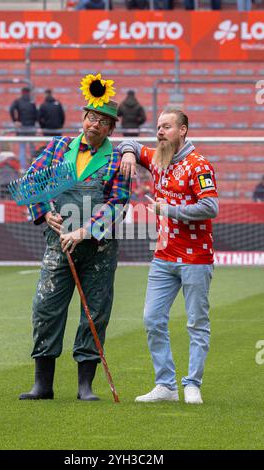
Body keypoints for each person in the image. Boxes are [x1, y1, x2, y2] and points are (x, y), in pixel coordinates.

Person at [19, 74, 130, 401]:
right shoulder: (57, 149)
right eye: (90, 117)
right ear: (82, 119)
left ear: (111, 129)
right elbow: (30, 184)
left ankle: (85, 386)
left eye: (102, 121)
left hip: (99, 250)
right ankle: (43, 385)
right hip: (58, 246)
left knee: (95, 313)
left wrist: (84, 231)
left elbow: (118, 204)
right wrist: (46, 213)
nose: (94, 124)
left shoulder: (117, 159)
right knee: (45, 308)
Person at [119, 108, 218, 405]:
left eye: (167, 127)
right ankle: (166, 385)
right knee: (151, 318)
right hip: (163, 256)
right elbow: (134, 146)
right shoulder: (157, 158)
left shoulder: (198, 165)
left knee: (196, 322)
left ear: (183, 130)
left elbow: (211, 207)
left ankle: (192, 383)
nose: (160, 131)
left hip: (196, 258)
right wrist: (127, 153)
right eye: (158, 126)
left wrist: (168, 210)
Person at [9, 87, 38, 171]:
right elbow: (36, 114)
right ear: (29, 93)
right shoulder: (32, 102)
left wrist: (15, 121)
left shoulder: (18, 101)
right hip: (31, 127)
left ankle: (22, 168)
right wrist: (34, 122)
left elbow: (11, 109)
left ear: (22, 92)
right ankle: (34, 167)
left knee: (22, 148)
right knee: (32, 148)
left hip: (21, 127)